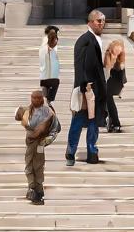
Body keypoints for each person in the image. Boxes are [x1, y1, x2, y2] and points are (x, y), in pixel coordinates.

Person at [67, 10, 108, 166]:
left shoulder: (95, 39)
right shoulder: (84, 40)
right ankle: (71, 153)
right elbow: (81, 65)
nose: (101, 23)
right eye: (98, 20)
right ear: (90, 22)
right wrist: (84, 85)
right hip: (86, 89)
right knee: (78, 121)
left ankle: (92, 152)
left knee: (93, 123)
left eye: (103, 21)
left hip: (94, 90)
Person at [16, 89, 56, 206]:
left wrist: (48, 139)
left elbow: (55, 126)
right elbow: (18, 116)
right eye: (34, 98)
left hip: (39, 142)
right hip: (30, 142)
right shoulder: (27, 110)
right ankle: (31, 187)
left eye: (38, 98)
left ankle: (38, 188)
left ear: (42, 99)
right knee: (29, 164)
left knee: (38, 166)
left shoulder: (47, 112)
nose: (36, 100)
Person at [103, 38, 127, 133]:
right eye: (115, 51)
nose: (117, 53)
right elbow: (107, 70)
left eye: (119, 51)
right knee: (107, 97)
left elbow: (121, 71)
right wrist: (112, 58)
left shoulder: (121, 57)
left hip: (116, 81)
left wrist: (118, 61)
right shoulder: (107, 54)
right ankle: (112, 121)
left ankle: (114, 122)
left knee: (107, 96)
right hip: (108, 79)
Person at [38, 25, 60, 105]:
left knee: (45, 85)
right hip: (51, 75)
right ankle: (48, 100)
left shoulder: (44, 44)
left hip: (45, 74)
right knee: (54, 83)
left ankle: (46, 100)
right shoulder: (49, 44)